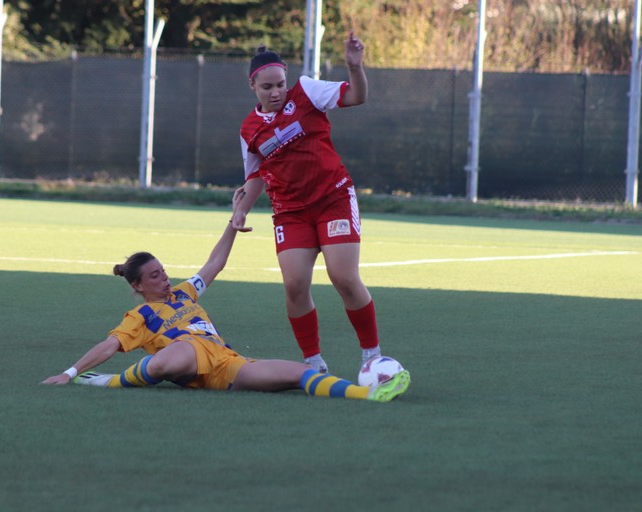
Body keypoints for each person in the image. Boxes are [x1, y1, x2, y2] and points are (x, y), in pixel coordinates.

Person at [42, 196, 410, 403]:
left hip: (227, 365)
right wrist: (70, 372)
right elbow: (109, 344)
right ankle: (100, 381)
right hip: (186, 354)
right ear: (138, 285)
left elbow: (214, 264)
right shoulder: (139, 315)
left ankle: (368, 394)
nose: (165, 278)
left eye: (163, 270)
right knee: (169, 358)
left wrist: (232, 225)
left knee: (301, 374)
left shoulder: (184, 292)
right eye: (155, 276)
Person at [232, 31, 383, 374]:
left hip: (333, 199)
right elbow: (256, 175)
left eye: (279, 84)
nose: (275, 92)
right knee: (294, 284)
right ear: (252, 87)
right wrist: (241, 208)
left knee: (343, 277)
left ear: (287, 78)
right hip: (291, 212)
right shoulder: (249, 129)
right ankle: (313, 361)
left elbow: (356, 97)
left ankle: (371, 355)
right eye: (267, 87)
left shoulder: (307, 91)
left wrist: (354, 67)